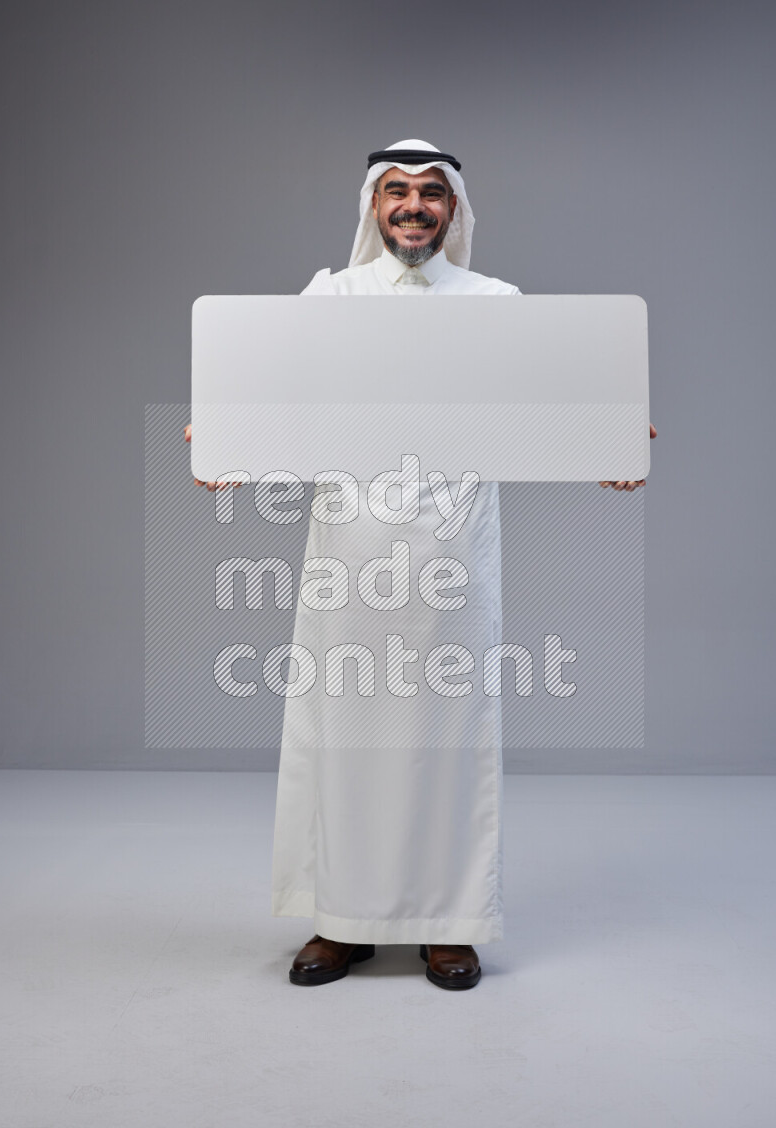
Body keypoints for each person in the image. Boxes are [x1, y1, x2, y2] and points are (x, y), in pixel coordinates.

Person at [185, 138, 655, 991]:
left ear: (455, 210)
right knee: (347, 736)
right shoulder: (329, 297)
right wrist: (223, 437)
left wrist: (609, 443)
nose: (412, 205)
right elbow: (275, 399)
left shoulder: (495, 301)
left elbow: (549, 406)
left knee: (449, 734)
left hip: (452, 552)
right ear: (372, 205)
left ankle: (450, 924)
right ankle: (341, 921)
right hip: (348, 549)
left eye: (430, 193)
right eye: (395, 191)